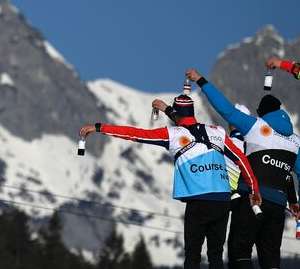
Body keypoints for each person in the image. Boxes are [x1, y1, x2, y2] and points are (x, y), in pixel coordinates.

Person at [79, 94, 261, 269]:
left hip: (198, 200)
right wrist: (254, 189)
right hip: (222, 200)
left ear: (177, 114)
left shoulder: (172, 134)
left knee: (192, 255)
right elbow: (241, 159)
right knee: (216, 255)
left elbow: (135, 134)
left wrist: (99, 127)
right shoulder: (217, 132)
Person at [186, 69, 300, 269]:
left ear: (262, 113)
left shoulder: (256, 125)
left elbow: (226, 110)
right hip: (278, 206)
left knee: (239, 253)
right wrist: (297, 203)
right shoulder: (295, 141)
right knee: (271, 260)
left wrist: (201, 81)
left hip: (253, 199)